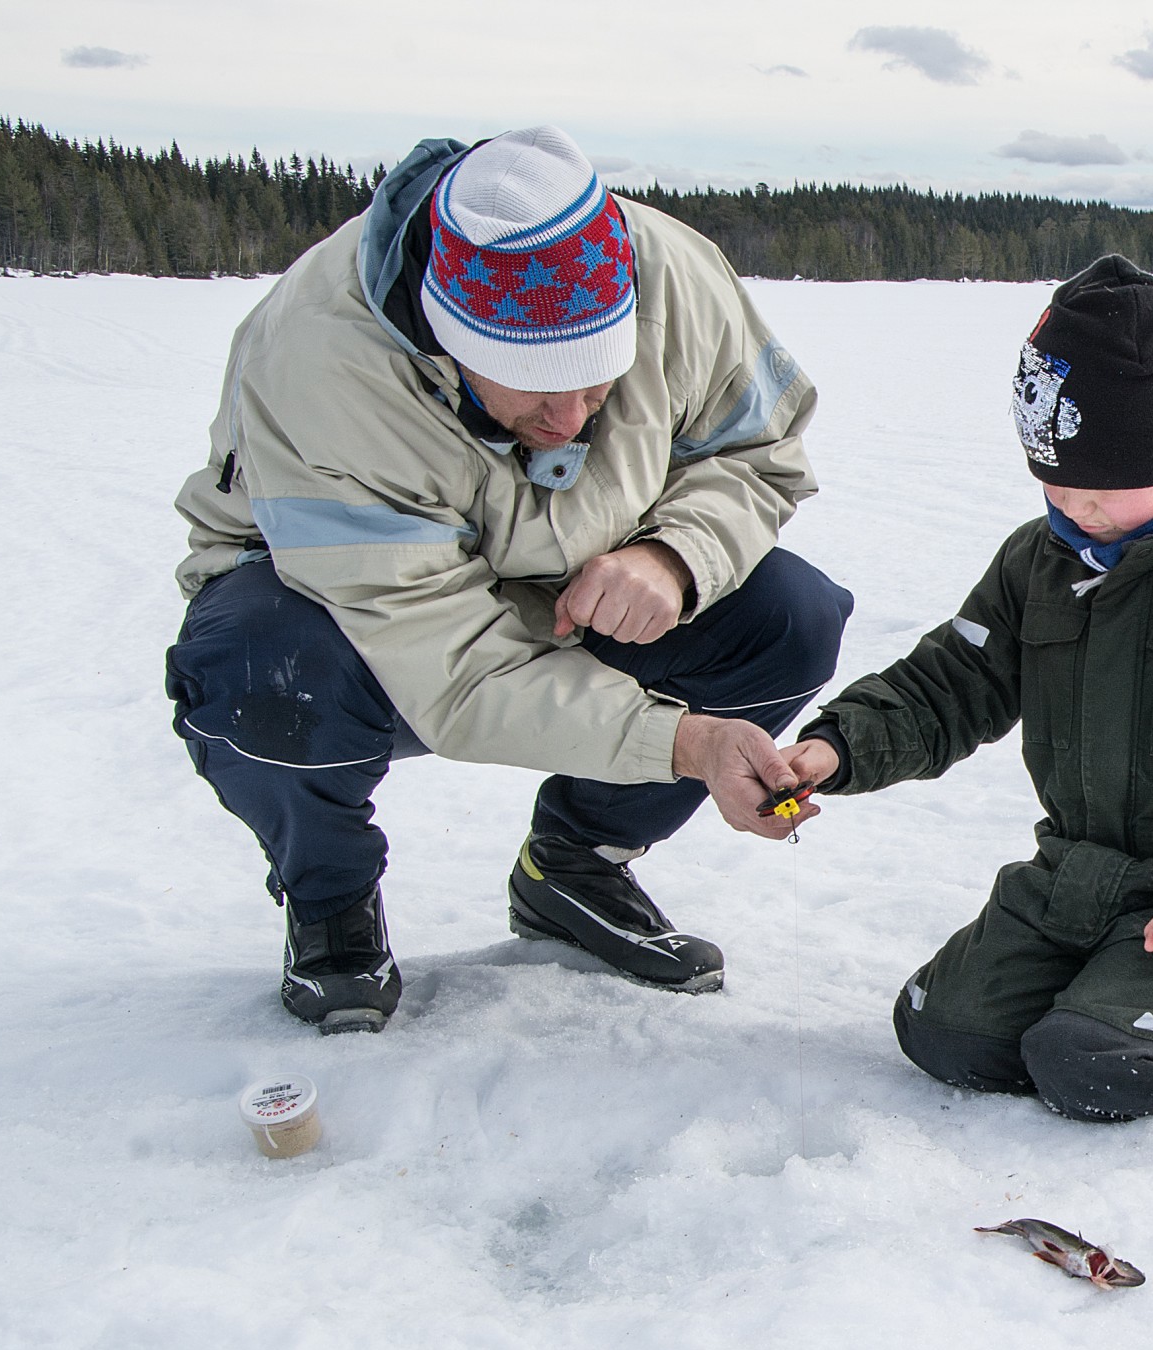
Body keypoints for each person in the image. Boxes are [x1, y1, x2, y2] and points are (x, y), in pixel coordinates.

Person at [166, 126, 851, 1034]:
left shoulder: (674, 280)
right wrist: (684, 743)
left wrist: (673, 557)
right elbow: (455, 668)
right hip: (342, 608)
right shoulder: (321, 365)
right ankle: (329, 897)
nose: (569, 422)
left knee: (789, 619)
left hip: (581, 571)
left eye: (597, 381)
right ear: (445, 342)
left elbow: (760, 454)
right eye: (531, 390)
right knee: (260, 675)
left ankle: (573, 868)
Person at [782, 256, 1153, 1121]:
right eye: (1053, 477)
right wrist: (837, 746)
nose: (1073, 503)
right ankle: (1101, 987)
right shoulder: (1038, 560)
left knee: (1096, 1064)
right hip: (1074, 881)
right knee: (942, 1035)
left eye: (1100, 483)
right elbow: (951, 682)